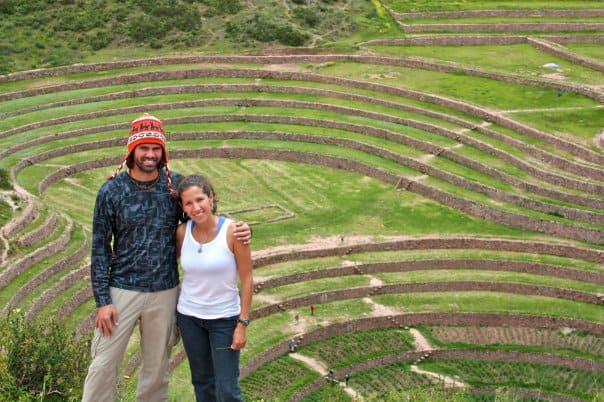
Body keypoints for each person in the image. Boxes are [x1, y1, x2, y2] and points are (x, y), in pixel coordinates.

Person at [82, 114, 251, 402]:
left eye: (156, 148)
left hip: (165, 291)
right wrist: (103, 301)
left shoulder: (175, 187)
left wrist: (240, 227)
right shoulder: (111, 191)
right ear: (132, 150)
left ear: (163, 152)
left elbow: (204, 216)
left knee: (157, 370)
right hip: (121, 290)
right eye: (144, 148)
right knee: (103, 365)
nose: (150, 155)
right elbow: (100, 248)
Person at [175, 174, 253, 402]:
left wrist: (242, 323)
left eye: (200, 199)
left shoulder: (234, 232)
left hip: (224, 320)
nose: (196, 207)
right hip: (189, 318)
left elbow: (247, 278)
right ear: (182, 206)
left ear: (211, 198)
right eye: (188, 203)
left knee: (227, 389)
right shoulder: (182, 232)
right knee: (202, 382)